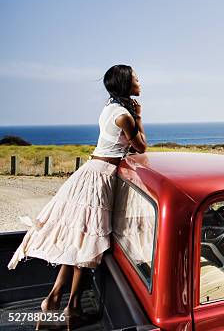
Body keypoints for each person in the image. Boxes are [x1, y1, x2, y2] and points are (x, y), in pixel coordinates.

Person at [6, 64, 148, 324]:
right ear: (125, 83)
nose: (140, 80)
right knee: (87, 242)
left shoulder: (109, 109)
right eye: (136, 77)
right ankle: (70, 307)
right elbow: (140, 147)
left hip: (89, 173)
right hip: (101, 177)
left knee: (79, 240)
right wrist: (139, 116)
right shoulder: (125, 116)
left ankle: (54, 300)